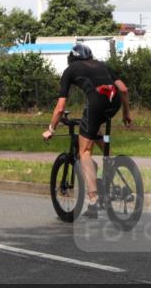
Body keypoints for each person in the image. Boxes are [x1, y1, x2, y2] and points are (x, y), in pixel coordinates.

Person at [42, 42, 132, 218]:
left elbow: (60, 108)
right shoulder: (103, 65)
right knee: (94, 134)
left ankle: (93, 201)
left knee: (84, 151)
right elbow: (123, 89)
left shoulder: (70, 70)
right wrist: (126, 113)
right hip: (113, 103)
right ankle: (112, 166)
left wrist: (51, 129)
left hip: (97, 102)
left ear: (72, 60)